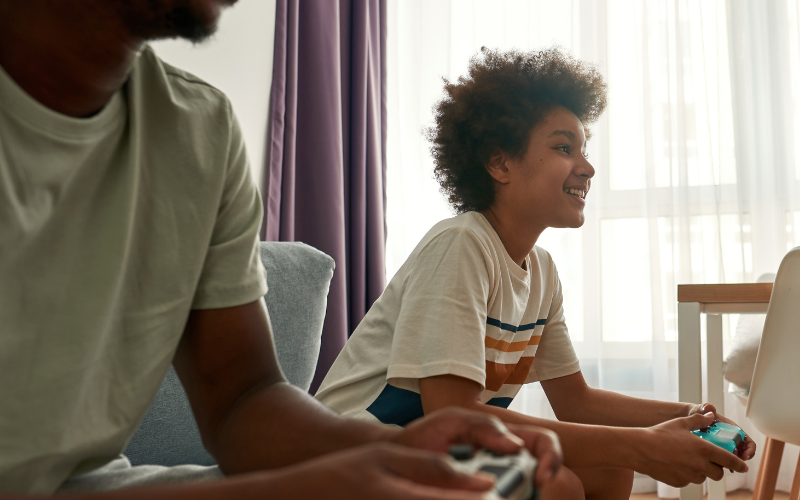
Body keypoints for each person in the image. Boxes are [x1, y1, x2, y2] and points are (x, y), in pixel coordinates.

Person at [0, 1, 564, 498]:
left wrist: (381, 448)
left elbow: (245, 399)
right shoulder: (462, 244)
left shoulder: (198, 129)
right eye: (564, 147)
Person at [315, 47, 757, 500]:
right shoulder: (461, 244)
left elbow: (576, 401)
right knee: (556, 485)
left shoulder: (541, 271)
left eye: (583, 151)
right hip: (349, 461)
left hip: (424, 451)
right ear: (500, 163)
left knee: (610, 471)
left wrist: (689, 413)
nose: (586, 167)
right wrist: (644, 445)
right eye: (564, 148)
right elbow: (451, 413)